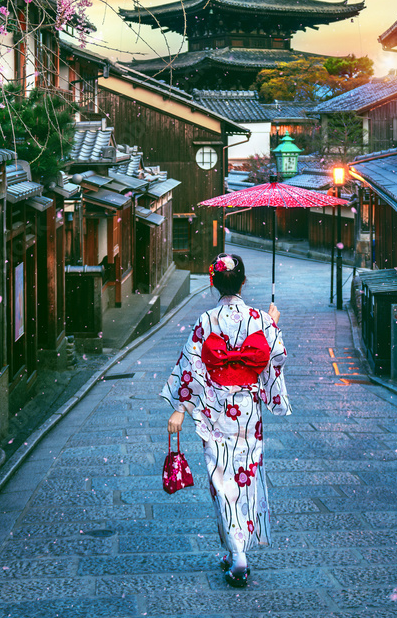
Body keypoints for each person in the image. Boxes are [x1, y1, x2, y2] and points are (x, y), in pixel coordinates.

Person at [161, 252, 291, 588]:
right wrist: (272, 322)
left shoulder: (206, 320)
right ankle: (237, 547)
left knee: (221, 479)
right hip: (247, 409)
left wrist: (180, 406)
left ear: (213, 282)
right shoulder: (259, 318)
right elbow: (275, 357)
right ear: (243, 281)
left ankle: (237, 554)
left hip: (216, 408)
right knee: (246, 475)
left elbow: (192, 366)